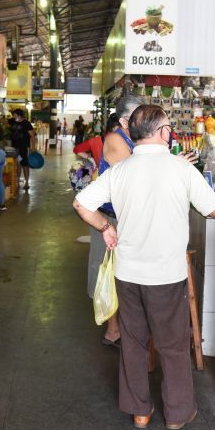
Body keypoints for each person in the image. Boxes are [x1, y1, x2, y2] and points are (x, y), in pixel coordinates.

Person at [73, 104, 215, 429]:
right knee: (172, 345)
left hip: (127, 274)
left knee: (132, 343)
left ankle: (140, 412)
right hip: (166, 275)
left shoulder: (119, 171)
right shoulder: (181, 169)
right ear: (162, 133)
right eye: (169, 127)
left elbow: (81, 203)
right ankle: (176, 414)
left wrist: (105, 226)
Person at [87, 95, 142, 348]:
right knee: (108, 273)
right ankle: (113, 330)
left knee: (122, 273)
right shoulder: (115, 139)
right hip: (109, 219)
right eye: (138, 116)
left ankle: (121, 328)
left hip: (126, 217)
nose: (144, 120)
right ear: (123, 120)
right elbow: (133, 176)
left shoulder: (134, 139)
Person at [9, 109, 37, 190]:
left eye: (15, 115)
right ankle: (17, 181)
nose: (13, 117)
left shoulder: (26, 124)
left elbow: (32, 135)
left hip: (23, 147)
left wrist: (33, 147)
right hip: (14, 148)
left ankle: (27, 182)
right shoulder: (13, 122)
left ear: (19, 115)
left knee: (25, 164)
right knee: (17, 164)